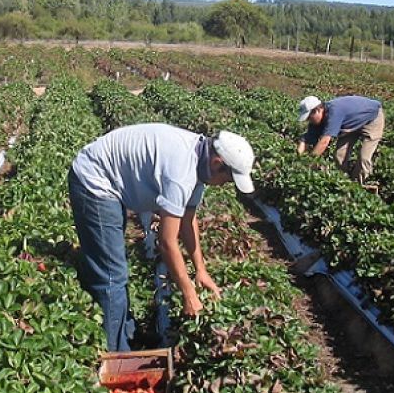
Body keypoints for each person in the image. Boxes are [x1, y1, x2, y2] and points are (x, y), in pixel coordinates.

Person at [68, 123, 255, 351]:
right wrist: (188, 294)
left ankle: (127, 335)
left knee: (115, 268)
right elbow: (166, 242)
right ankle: (117, 351)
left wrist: (201, 270)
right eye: (227, 180)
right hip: (95, 181)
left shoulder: (198, 164)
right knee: (111, 275)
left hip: (111, 181)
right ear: (217, 164)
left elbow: (188, 220)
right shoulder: (181, 172)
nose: (224, 185)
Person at [296, 95, 385, 185]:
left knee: (364, 158)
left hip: (372, 118)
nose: (309, 121)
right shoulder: (316, 120)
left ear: (318, 110)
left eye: (309, 118)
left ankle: (358, 185)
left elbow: (324, 142)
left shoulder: (334, 113)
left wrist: (309, 162)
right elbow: (305, 140)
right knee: (339, 155)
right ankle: (342, 182)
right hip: (351, 125)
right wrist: (297, 159)